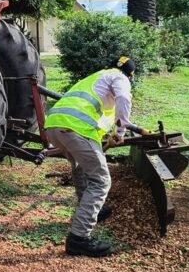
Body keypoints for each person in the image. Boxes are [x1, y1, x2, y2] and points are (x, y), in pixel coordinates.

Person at [44, 57, 147, 257]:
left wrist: (120, 128)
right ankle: (79, 238)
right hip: (75, 129)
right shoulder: (121, 78)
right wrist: (120, 132)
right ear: (130, 75)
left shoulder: (98, 76)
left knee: (80, 168)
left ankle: (92, 210)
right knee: (101, 181)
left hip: (54, 126)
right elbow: (124, 99)